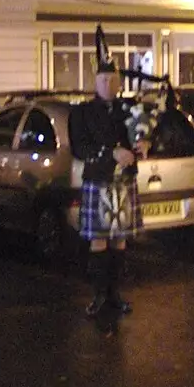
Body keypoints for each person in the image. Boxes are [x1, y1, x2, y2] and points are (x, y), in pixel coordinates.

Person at [68, 61, 142, 317]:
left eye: (112, 80)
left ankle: (115, 294)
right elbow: (79, 148)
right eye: (102, 80)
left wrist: (142, 147)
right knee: (99, 240)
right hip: (98, 180)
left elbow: (138, 139)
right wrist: (111, 153)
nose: (107, 85)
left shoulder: (129, 110)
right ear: (95, 82)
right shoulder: (82, 113)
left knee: (120, 240)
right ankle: (99, 296)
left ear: (120, 82)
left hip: (123, 181)